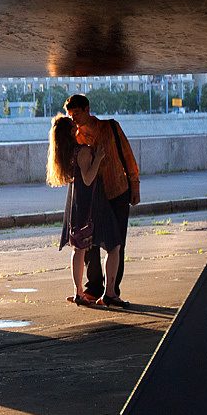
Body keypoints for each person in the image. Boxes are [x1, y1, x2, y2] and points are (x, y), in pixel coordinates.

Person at [64, 94, 139, 307]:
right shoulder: (75, 137)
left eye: (76, 114)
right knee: (89, 245)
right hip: (94, 196)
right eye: (71, 116)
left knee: (116, 243)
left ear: (87, 109)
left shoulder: (110, 128)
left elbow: (128, 156)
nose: (74, 119)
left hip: (117, 191)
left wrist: (135, 186)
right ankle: (93, 289)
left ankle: (112, 290)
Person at [47, 114, 122, 307]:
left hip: (77, 205)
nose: (78, 129)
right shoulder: (83, 151)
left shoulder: (65, 154)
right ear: (72, 132)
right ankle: (110, 293)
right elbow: (88, 179)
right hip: (95, 203)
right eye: (75, 127)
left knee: (78, 249)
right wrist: (98, 158)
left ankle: (78, 292)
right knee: (114, 246)